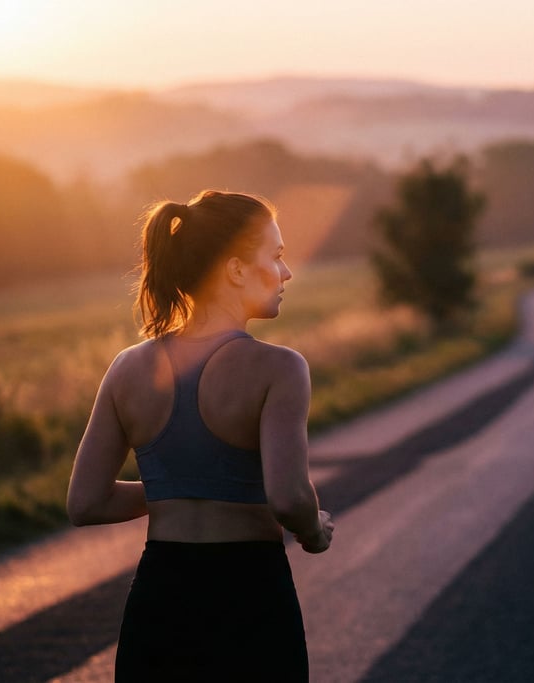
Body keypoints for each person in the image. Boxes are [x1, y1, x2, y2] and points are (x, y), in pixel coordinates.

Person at [66, 189, 334, 682]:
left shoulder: (127, 368)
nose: (287, 272)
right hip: (249, 596)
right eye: (275, 257)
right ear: (234, 270)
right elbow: (289, 496)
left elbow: (85, 503)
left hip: (159, 601)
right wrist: (314, 531)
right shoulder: (279, 368)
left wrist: (179, 491)